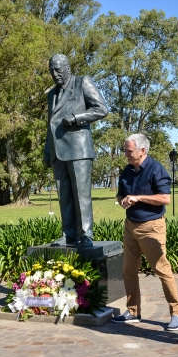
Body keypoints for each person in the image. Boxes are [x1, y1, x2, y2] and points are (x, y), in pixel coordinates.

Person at [112, 134, 178, 331]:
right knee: (128, 270)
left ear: (142, 150)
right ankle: (133, 311)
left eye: (129, 151)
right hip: (130, 226)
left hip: (152, 227)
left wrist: (138, 198)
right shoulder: (126, 171)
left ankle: (177, 313)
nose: (126, 154)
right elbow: (120, 194)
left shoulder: (156, 169)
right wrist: (123, 201)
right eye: (125, 150)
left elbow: (165, 199)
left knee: (162, 269)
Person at [43, 54, 108, 247]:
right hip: (58, 152)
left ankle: (86, 234)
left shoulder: (82, 83)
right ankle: (68, 234)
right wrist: (48, 151)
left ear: (68, 68)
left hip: (79, 149)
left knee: (81, 195)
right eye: (51, 70)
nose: (55, 74)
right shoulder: (51, 94)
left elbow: (101, 109)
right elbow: (51, 125)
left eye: (58, 69)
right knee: (64, 197)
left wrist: (77, 117)